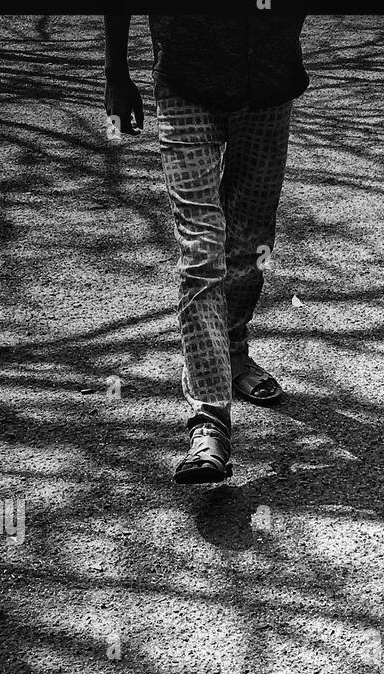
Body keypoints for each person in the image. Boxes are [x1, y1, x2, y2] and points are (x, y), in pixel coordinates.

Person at [103, 12, 309, 483]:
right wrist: (116, 73)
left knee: (250, 244)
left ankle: (234, 350)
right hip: (186, 83)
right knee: (201, 254)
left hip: (269, 86)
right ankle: (209, 422)